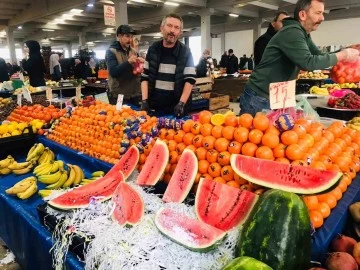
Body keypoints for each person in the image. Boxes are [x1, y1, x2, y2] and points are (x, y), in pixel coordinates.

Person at [239, 0, 359, 116]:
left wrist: (345, 50)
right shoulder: (292, 32)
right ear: (302, 15)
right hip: (260, 97)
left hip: (277, 95)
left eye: (322, 13)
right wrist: (344, 55)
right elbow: (308, 62)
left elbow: (317, 55)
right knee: (256, 134)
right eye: (318, 13)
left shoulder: (303, 33)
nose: (322, 18)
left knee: (276, 135)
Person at [140, 13, 196, 118]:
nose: (172, 30)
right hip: (156, 107)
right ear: (162, 28)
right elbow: (145, 77)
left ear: (180, 32)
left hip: (177, 108)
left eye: (176, 27)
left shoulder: (185, 52)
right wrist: (144, 100)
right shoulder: (153, 49)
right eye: (169, 26)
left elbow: (190, 80)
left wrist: (182, 103)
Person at [105, 24, 143, 105]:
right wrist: (128, 62)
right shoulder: (111, 52)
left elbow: (138, 70)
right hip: (119, 95)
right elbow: (114, 72)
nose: (130, 39)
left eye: (131, 37)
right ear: (119, 36)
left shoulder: (134, 52)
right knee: (120, 116)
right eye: (127, 36)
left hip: (134, 94)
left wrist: (142, 63)